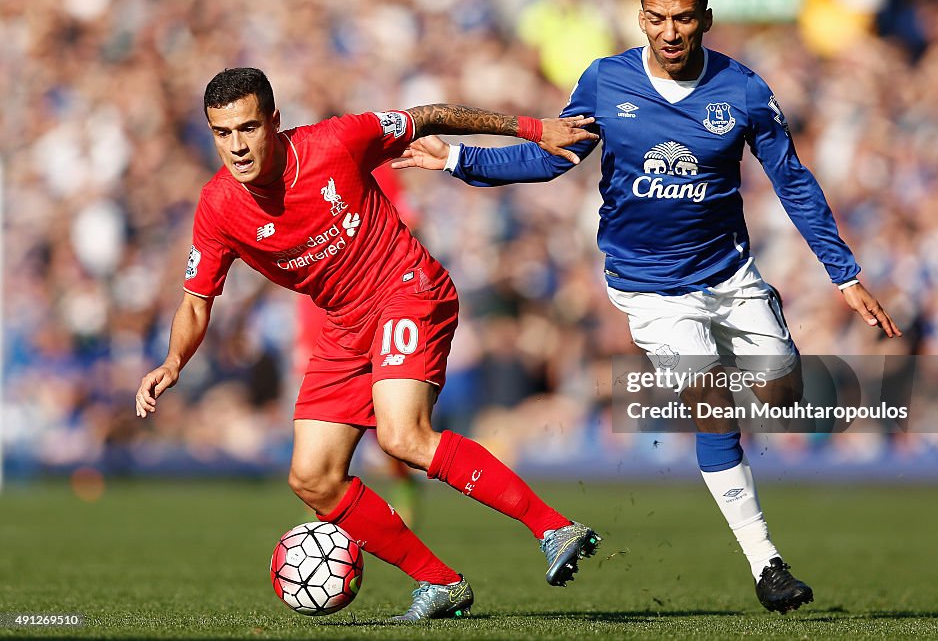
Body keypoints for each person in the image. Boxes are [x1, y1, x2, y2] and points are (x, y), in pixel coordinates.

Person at [394, 0, 902, 615]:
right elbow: (551, 158)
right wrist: (459, 157)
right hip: (650, 289)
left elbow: (793, 179)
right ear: (642, 17)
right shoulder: (606, 83)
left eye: (684, 17)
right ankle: (767, 564)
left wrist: (845, 274)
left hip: (731, 275)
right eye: (658, 17)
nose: (670, 30)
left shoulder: (744, 92)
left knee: (779, 390)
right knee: (712, 404)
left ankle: (767, 359)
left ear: (706, 19)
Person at [135, 67, 602, 622]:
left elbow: (428, 116)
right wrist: (173, 361)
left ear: (275, 122)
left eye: (248, 128)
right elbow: (195, 301)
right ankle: (441, 582)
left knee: (402, 436)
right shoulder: (218, 207)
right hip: (343, 326)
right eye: (222, 133)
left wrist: (532, 128)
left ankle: (554, 528)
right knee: (312, 477)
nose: (236, 146)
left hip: (406, 288)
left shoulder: (334, 141)